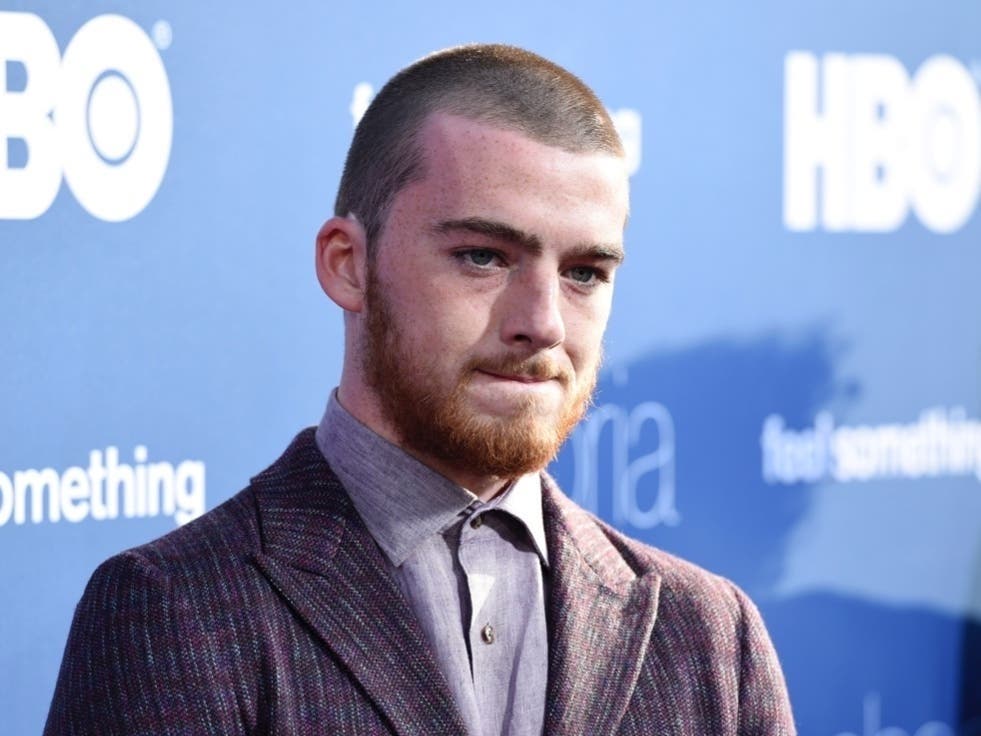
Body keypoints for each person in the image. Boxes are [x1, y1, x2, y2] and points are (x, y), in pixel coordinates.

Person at [45, 44, 796, 735]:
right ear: (347, 264)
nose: (541, 324)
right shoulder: (175, 612)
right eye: (482, 256)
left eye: (583, 274)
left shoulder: (710, 637)